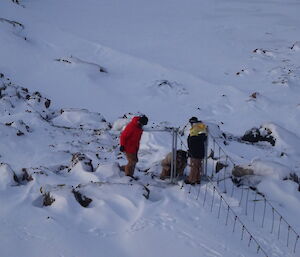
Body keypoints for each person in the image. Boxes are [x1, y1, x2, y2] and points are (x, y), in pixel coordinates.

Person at [185, 117, 207, 185]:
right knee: (198, 165)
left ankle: (191, 180)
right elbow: (202, 138)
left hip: (195, 151)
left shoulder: (195, 128)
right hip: (200, 150)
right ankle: (197, 179)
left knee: (194, 166)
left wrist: (190, 150)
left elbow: (193, 140)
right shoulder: (201, 127)